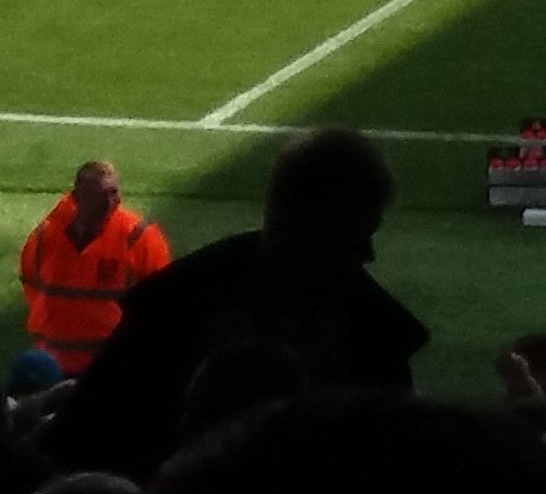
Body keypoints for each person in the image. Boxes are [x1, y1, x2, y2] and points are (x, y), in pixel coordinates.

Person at [41, 126, 425, 483]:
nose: (366, 253)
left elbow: (78, 438)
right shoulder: (374, 337)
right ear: (299, 222)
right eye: (352, 233)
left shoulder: (175, 306)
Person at [17, 158, 168, 378]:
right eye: (99, 196)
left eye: (114, 193)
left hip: (115, 367)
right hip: (56, 367)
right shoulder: (45, 238)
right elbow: (32, 290)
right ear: (78, 197)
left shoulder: (140, 238)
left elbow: (161, 305)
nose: (109, 203)